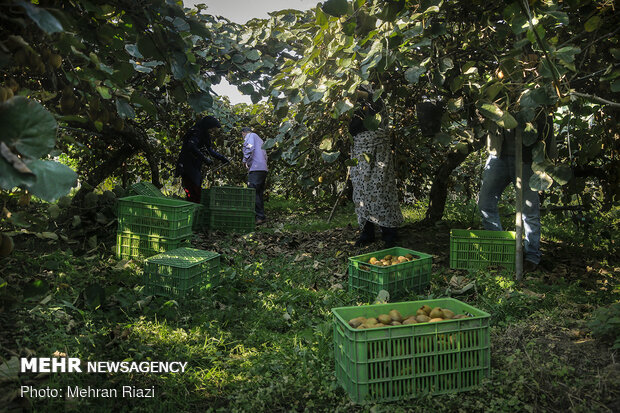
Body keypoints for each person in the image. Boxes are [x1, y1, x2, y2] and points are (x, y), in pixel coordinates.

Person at [477, 112, 556, 273]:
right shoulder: (498, 92)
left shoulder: (535, 97)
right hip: (497, 155)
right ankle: (501, 250)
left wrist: (545, 164)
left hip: (526, 160)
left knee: (529, 211)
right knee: (485, 204)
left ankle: (532, 257)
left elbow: (546, 126)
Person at [349, 87, 403, 248]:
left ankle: (389, 232)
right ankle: (367, 233)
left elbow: (374, 101)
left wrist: (359, 93)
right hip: (360, 151)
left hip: (378, 151)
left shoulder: (375, 101)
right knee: (361, 192)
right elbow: (353, 129)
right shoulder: (354, 107)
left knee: (381, 190)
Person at [175, 116, 229, 203]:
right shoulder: (196, 132)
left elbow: (208, 150)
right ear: (208, 126)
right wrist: (204, 158)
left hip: (195, 165)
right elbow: (191, 146)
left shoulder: (204, 135)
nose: (212, 132)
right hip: (187, 165)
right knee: (193, 191)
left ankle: (194, 210)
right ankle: (191, 211)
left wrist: (222, 158)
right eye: (212, 129)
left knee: (196, 190)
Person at [241, 127, 268, 224]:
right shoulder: (260, 140)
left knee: (252, 192)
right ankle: (261, 216)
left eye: (242, 135)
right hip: (262, 169)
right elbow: (265, 155)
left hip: (256, 169)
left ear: (244, 133)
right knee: (258, 194)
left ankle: (259, 217)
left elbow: (249, 147)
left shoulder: (250, 136)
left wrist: (244, 161)